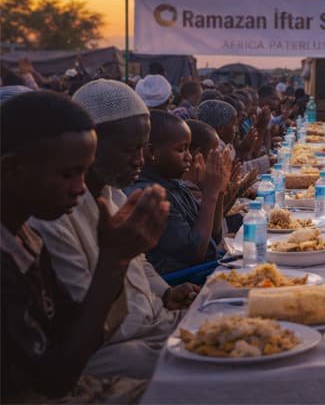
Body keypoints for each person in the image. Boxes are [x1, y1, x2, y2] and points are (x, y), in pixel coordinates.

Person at [29, 80, 193, 381]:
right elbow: (87, 315)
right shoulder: (50, 215)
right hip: (112, 348)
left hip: (152, 324)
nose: (139, 161)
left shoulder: (112, 192)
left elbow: (139, 261)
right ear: (91, 144)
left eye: (142, 149)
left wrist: (166, 293)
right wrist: (114, 259)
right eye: (128, 150)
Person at [129, 111, 229, 276]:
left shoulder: (177, 186)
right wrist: (210, 194)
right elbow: (195, 253)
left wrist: (218, 192)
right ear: (152, 152)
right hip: (182, 279)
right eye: (181, 149)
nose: (189, 157)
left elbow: (213, 236)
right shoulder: (151, 195)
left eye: (188, 149)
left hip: (204, 267)